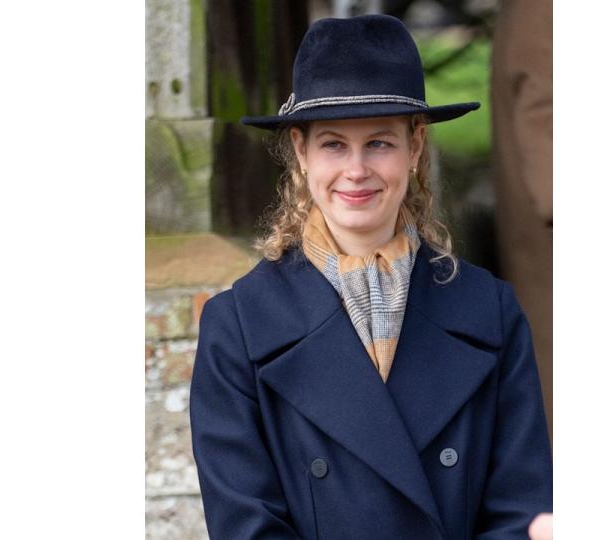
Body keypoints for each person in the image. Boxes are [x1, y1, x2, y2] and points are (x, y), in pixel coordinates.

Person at [189, 14, 552, 539]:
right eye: (334, 144)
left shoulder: (490, 311)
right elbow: (247, 525)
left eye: (379, 142)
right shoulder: (239, 327)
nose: (356, 170)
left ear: (415, 146)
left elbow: (518, 511)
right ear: (300, 150)